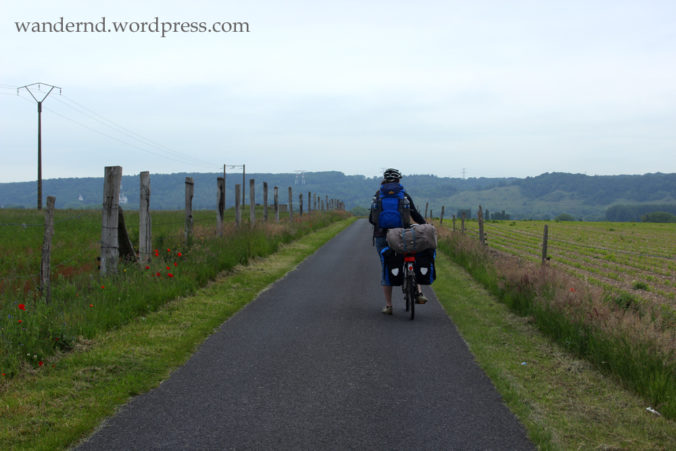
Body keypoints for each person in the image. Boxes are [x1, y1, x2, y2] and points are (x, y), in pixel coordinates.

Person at [369, 168, 428, 315]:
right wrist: (425, 224)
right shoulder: (404, 196)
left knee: (386, 267)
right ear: (398, 180)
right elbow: (414, 213)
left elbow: (372, 219)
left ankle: (389, 306)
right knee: (412, 259)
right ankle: (419, 292)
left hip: (382, 235)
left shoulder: (378, 196)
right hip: (402, 234)